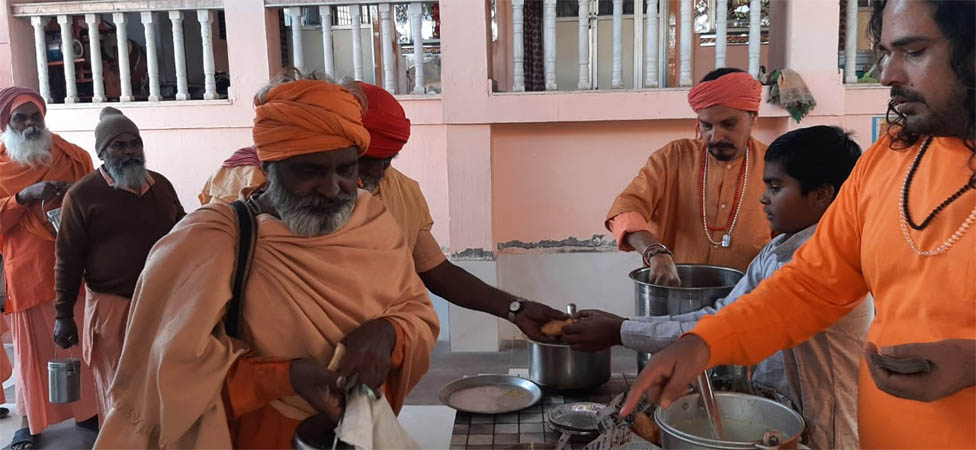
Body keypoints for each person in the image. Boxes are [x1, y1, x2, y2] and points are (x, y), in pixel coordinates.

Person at [620, 1, 975, 448]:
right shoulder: (888, 161)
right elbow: (811, 285)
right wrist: (703, 342)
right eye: (886, 53)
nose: (887, 75)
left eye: (914, 51)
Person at [94, 74, 439, 449]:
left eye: (345, 170)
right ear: (270, 166)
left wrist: (388, 333)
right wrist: (285, 377)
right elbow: (165, 374)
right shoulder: (210, 241)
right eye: (310, 171)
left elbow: (416, 311)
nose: (332, 188)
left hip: (363, 434)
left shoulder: (374, 223)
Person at [564, 126, 871, 449]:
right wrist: (625, 326)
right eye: (706, 124)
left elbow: (733, 324)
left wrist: (622, 331)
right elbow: (723, 316)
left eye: (776, 187)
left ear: (821, 194)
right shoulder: (776, 249)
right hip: (777, 415)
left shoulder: (833, 265)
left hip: (828, 433)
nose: (763, 198)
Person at [198, 76, 567, 343]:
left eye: (389, 160)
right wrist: (282, 377)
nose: (377, 172)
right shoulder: (244, 192)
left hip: (365, 382)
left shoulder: (398, 193)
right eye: (368, 160)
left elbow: (435, 272)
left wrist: (515, 308)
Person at [52, 107, 186, 421]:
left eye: (135, 143)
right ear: (102, 153)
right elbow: (67, 260)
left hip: (161, 305)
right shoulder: (82, 196)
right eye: (119, 145)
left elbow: (183, 235)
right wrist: (63, 315)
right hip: (111, 310)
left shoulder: (161, 186)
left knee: (161, 384)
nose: (129, 151)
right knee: (118, 392)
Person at [607, 68, 771, 286]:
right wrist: (655, 251)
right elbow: (625, 209)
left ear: (753, 117)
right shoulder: (673, 157)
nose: (716, 136)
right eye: (707, 126)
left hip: (749, 298)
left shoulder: (774, 165)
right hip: (676, 294)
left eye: (728, 124)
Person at [0, 86, 99, 449]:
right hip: (27, 271)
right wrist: (24, 197)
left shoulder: (72, 156)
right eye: (20, 118)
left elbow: (95, 201)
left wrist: (74, 193)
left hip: (74, 266)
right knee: (33, 351)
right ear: (6, 123)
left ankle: (87, 410)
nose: (30, 124)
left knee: (82, 344)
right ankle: (29, 424)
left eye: (35, 117)